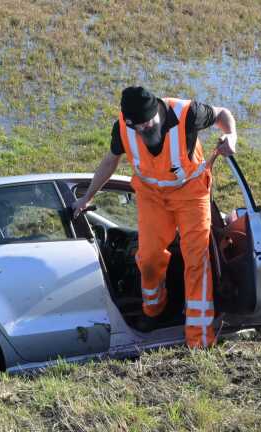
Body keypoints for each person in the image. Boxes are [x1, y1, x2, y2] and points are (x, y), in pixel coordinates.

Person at [72, 86, 237, 348]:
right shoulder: (124, 128)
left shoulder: (188, 113)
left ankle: (199, 340)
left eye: (147, 124)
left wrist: (231, 137)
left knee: (196, 259)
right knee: (148, 258)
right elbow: (110, 161)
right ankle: (154, 310)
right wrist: (88, 196)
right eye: (137, 127)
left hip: (191, 195)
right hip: (152, 198)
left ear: (158, 111)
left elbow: (224, 115)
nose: (143, 130)